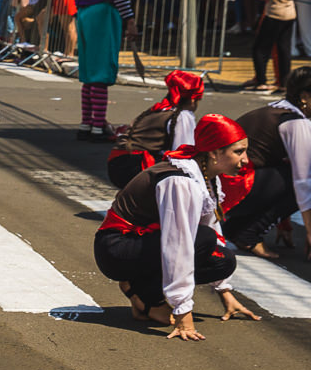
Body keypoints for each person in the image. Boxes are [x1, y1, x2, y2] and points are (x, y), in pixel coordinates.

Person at [93, 114, 261, 339]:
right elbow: (178, 245)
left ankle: (141, 289)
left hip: (144, 244)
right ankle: (147, 297)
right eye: (238, 152)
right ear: (214, 152)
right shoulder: (181, 181)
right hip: (116, 247)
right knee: (202, 239)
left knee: (224, 260)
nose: (246, 160)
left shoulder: (205, 175)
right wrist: (183, 313)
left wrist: (225, 292)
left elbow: (212, 227)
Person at [225, 66, 311, 259]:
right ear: (305, 96)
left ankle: (238, 228)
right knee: (305, 176)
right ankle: (249, 233)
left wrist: (283, 221)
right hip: (231, 190)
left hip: (224, 189)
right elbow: (303, 181)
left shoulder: (277, 109)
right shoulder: (296, 123)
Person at [73, 0, 138, 142]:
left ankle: (87, 124)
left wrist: (80, 8)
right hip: (103, 11)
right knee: (101, 72)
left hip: (85, 11)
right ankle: (98, 128)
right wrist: (129, 18)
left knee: (89, 73)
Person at [107, 70, 203, 188]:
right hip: (135, 165)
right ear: (193, 99)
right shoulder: (182, 116)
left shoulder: (160, 109)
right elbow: (183, 152)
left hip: (117, 163)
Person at [244, 0, 298, 92]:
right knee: (283, 49)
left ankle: (261, 80)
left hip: (274, 13)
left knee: (260, 48)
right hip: (290, 13)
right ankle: (284, 82)